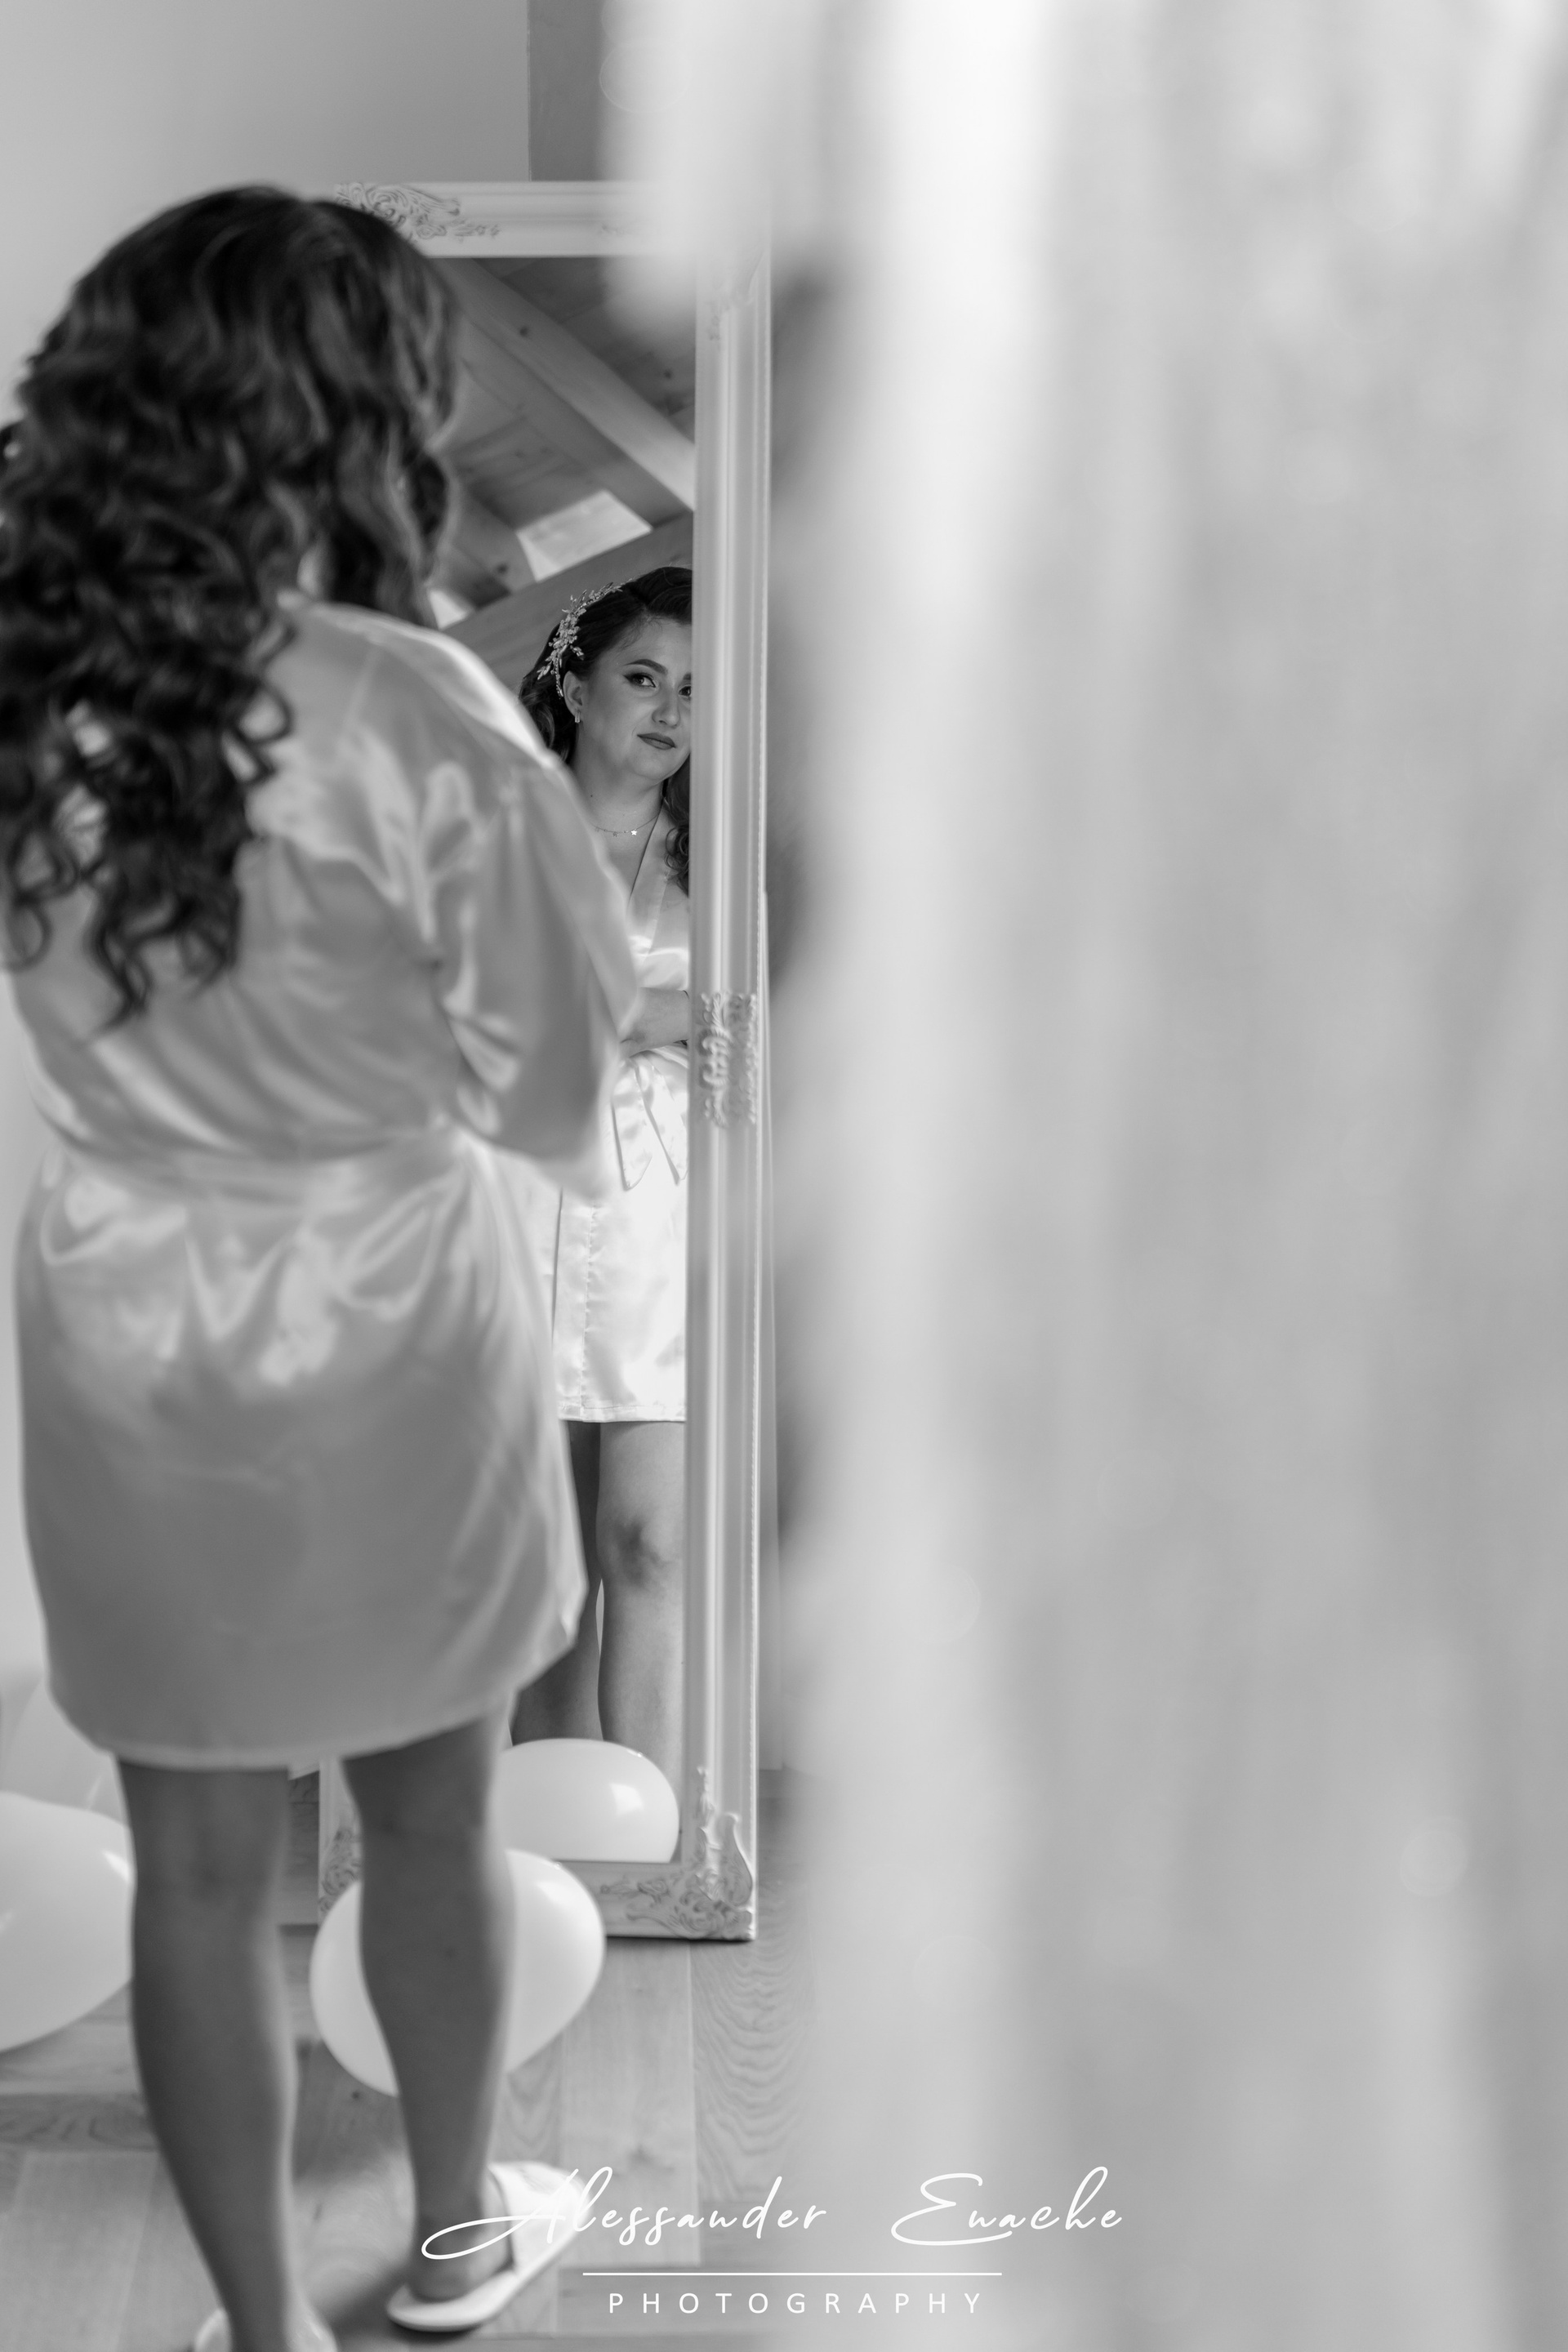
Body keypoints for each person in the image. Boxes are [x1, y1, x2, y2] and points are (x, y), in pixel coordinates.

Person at [0, 189, 639, 2352]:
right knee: (432, 1827)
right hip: (393, 1323)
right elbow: (551, 1084)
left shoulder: (32, 700)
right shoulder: (415, 705)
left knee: (193, 1868)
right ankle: (454, 2244)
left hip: (122, 1324)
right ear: (357, 413)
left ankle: (265, 2335)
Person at [506, 571, 692, 1796]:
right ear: (577, 689)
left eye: (694, 690)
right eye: (643, 677)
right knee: (540, 1566)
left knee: (650, 1543)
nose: (671, 711)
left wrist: (664, 1018)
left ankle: (656, 1849)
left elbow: (760, 1023)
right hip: (516, 1202)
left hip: (662, 1228)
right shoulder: (498, 832)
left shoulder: (719, 855)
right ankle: (537, 1840)